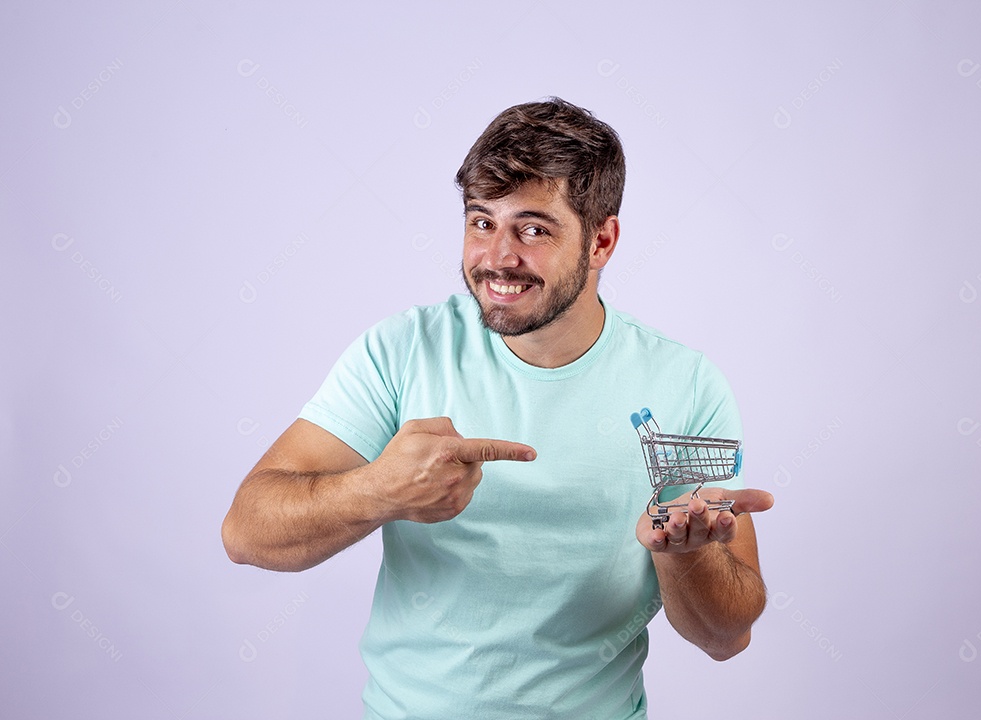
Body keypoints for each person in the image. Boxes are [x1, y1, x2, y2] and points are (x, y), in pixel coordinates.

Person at [222, 97, 774, 719]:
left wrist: (686, 552)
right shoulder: (402, 351)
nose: (498, 258)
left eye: (533, 229)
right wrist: (380, 490)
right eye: (481, 222)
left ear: (602, 241)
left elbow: (727, 636)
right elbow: (246, 533)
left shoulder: (684, 386)